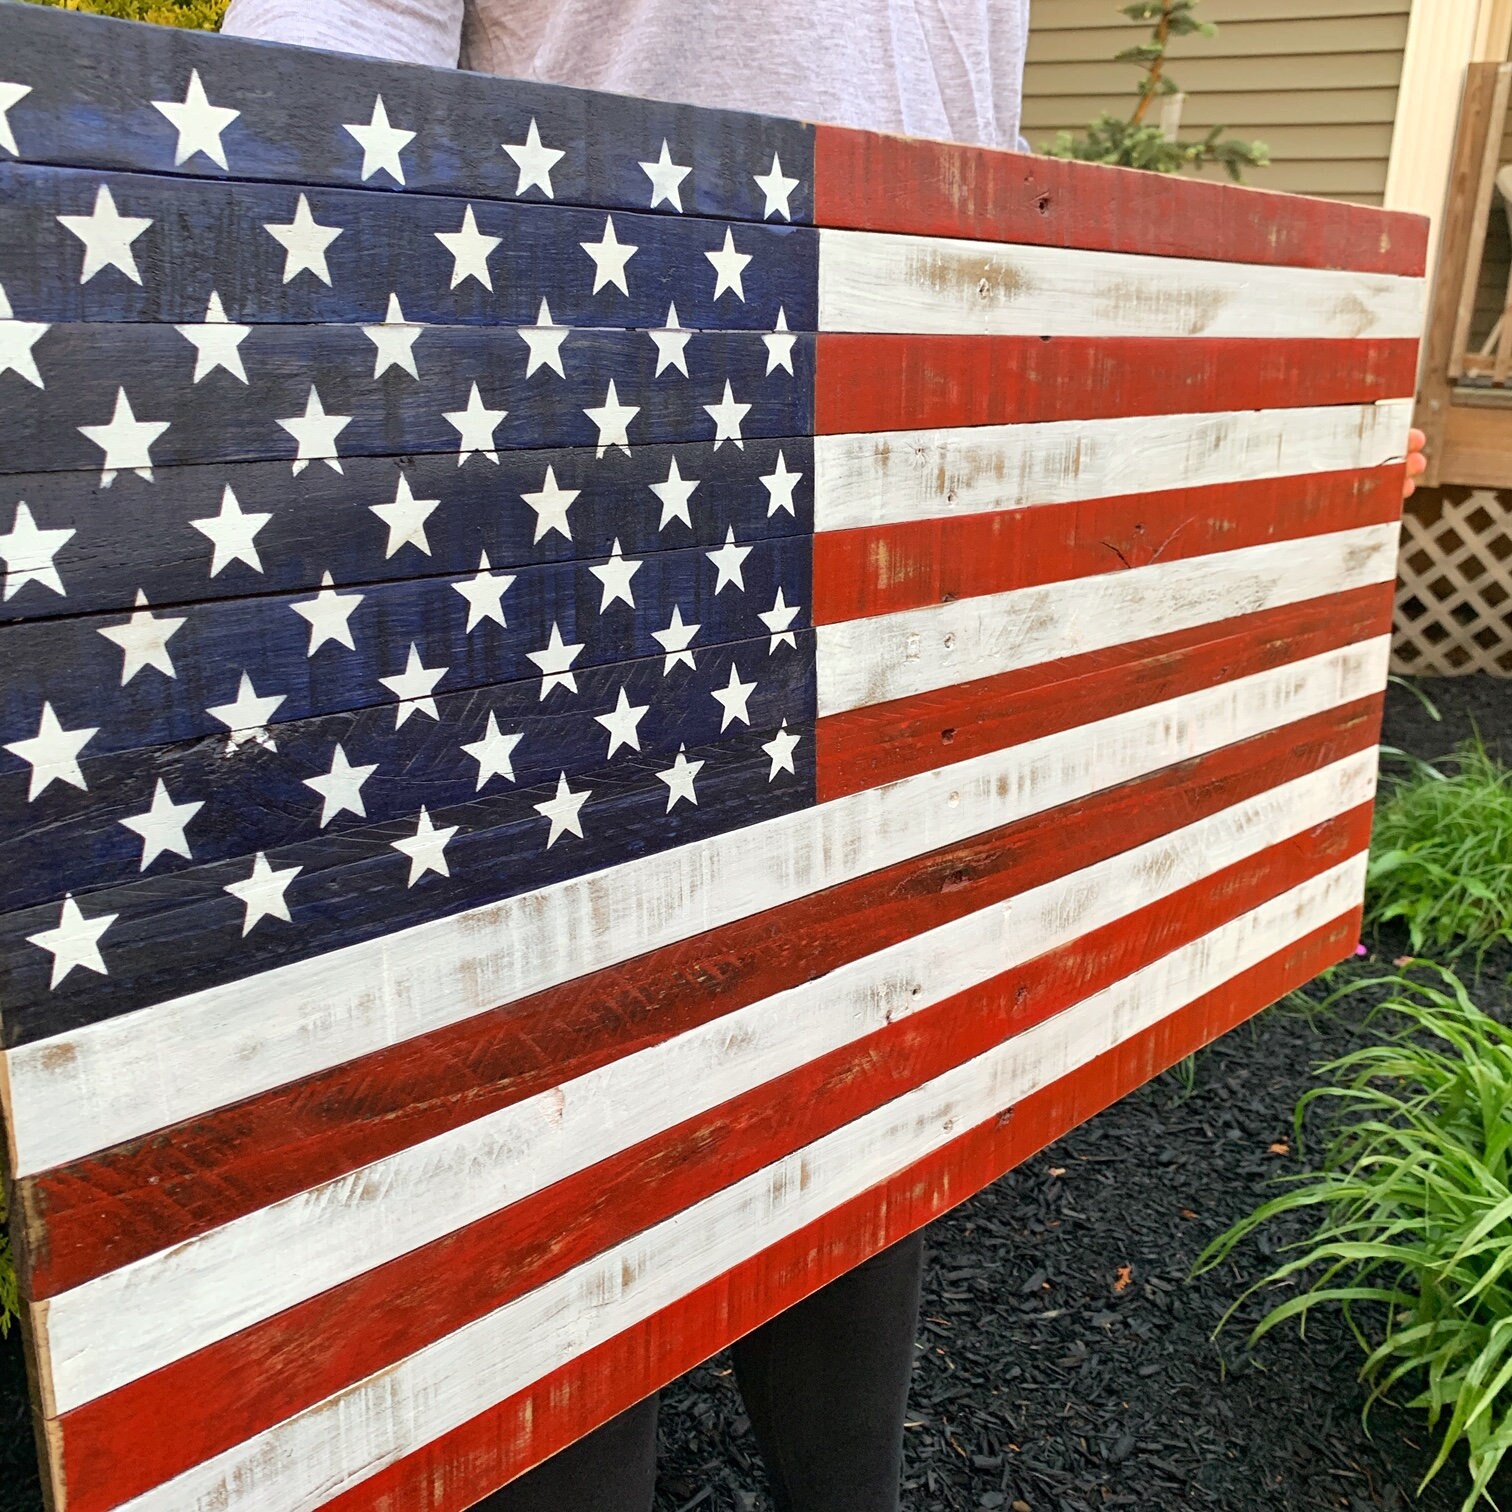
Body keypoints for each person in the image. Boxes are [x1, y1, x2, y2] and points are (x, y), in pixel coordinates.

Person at [218, 4, 1429, 1506]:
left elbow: (976, 153)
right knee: (578, 1137)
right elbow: (289, 105)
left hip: (887, 474)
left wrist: (1286, 396)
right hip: (549, 504)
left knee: (864, 1048)